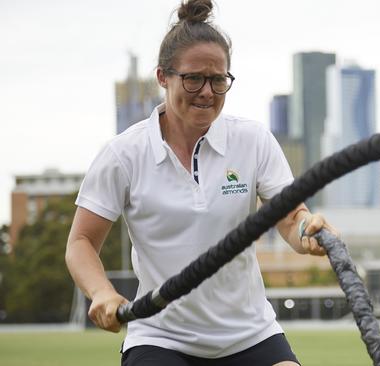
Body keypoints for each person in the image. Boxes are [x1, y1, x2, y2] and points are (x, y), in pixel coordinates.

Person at [65, 1, 337, 365]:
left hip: (249, 333)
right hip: (160, 336)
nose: (207, 92)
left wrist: (308, 230)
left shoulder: (253, 140)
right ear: (163, 76)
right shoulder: (123, 153)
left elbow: (290, 217)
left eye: (218, 80)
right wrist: (101, 292)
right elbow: (81, 242)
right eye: (193, 79)